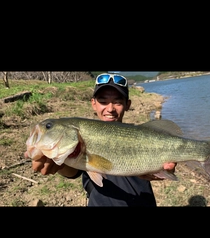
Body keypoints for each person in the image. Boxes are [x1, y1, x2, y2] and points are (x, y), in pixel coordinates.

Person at [24, 73, 176, 206]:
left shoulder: (145, 135)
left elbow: (165, 163)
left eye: (117, 101)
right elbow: (72, 172)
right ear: (93, 104)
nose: (110, 108)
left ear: (127, 105)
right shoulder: (80, 143)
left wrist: (163, 169)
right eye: (103, 101)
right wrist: (58, 165)